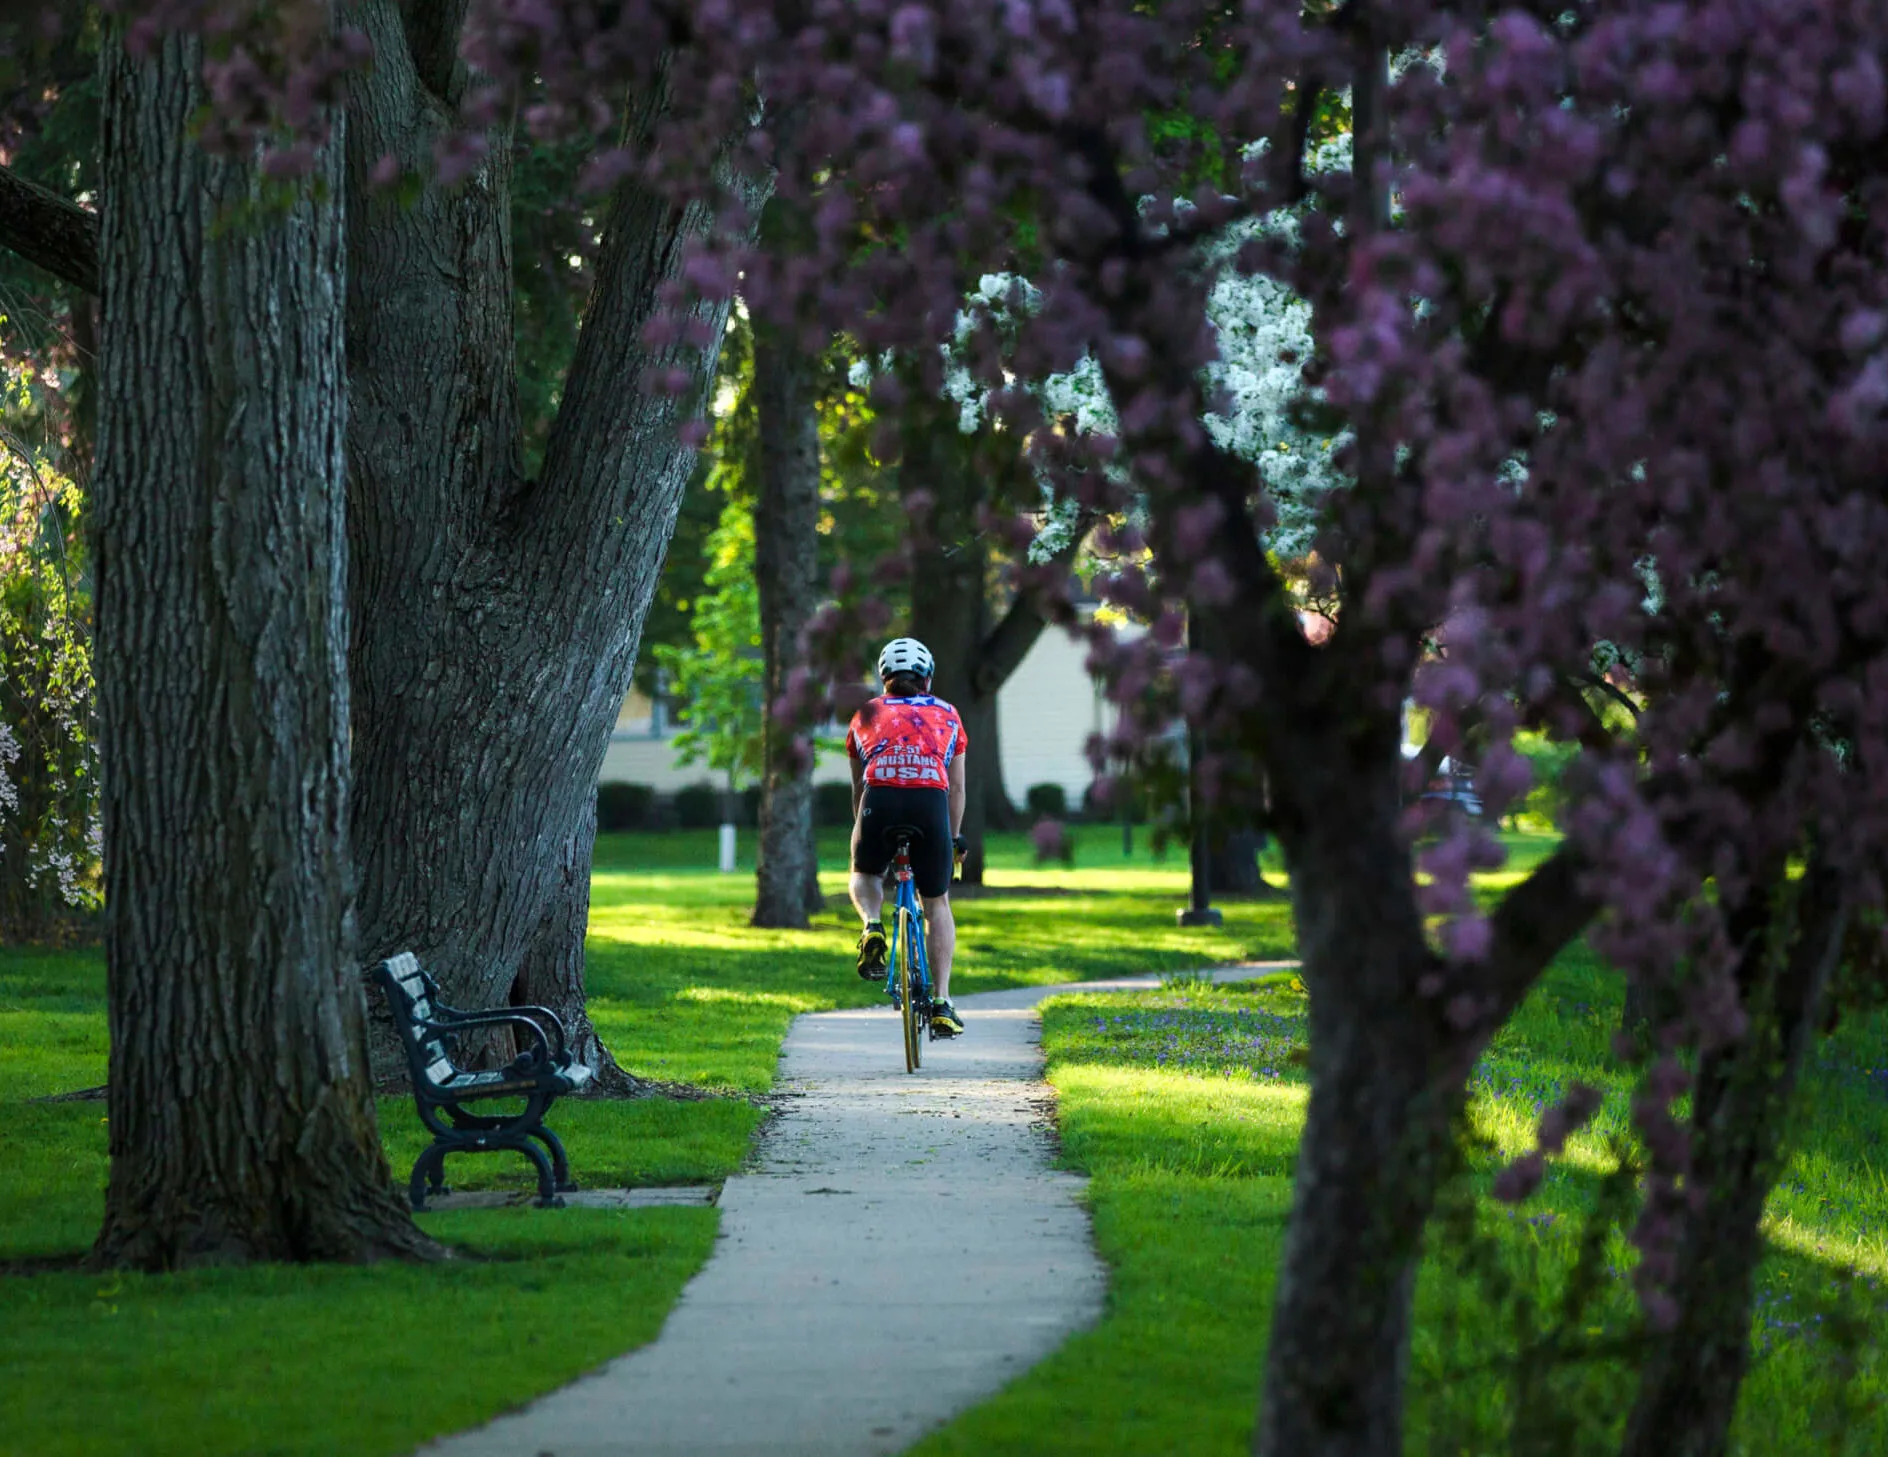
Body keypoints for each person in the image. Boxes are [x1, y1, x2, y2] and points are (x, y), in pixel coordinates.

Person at [847, 637, 968, 1037]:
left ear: (884, 679)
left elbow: (857, 787)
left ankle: (871, 925)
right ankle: (942, 1001)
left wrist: (864, 838)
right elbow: (956, 788)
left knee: (863, 875)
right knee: (936, 901)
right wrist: (952, 839)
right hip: (930, 803)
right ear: (928, 677)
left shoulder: (865, 714)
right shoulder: (949, 714)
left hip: (878, 800)